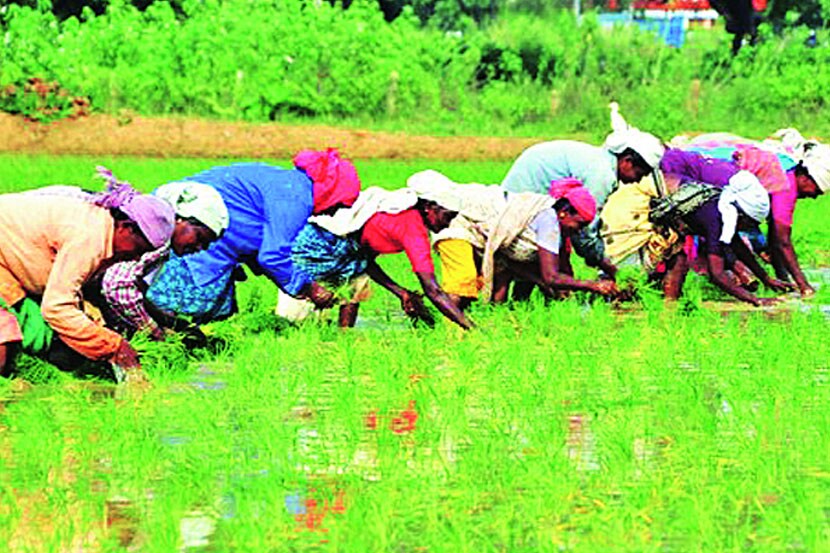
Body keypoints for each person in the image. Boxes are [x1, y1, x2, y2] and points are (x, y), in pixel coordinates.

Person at [137, 149, 361, 325]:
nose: (334, 213)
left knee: (219, 313)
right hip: (195, 234)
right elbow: (272, 256)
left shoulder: (288, 184)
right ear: (333, 193)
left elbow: (260, 245)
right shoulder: (297, 198)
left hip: (187, 230)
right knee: (188, 309)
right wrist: (310, 288)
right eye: (340, 204)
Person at [0, 180, 176, 381]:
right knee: (15, 341)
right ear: (126, 228)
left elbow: (76, 289)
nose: (136, 258)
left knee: (64, 349)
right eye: (139, 249)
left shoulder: (101, 227)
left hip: (11, 269)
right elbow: (56, 308)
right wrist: (116, 347)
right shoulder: (90, 238)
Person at [408, 171, 619, 306]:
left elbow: (539, 269)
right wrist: (594, 286)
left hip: (482, 228)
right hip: (458, 220)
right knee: (462, 283)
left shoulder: (554, 225)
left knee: (499, 280)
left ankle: (491, 323)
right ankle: (443, 329)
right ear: (564, 212)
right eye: (579, 224)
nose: (579, 231)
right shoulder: (549, 222)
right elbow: (551, 277)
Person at [277, 185, 473, 329]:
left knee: (355, 286)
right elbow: (433, 290)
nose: (448, 225)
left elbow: (366, 262)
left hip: (347, 254)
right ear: (431, 208)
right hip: (318, 246)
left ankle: (343, 341)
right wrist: (473, 329)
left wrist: (402, 293)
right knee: (292, 320)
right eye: (447, 217)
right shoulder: (412, 228)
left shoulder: (405, 218)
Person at [501, 102, 664, 275]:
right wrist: (609, 267)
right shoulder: (602, 175)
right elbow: (584, 228)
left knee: (549, 259)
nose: (639, 179)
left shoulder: (600, 161)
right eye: (640, 172)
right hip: (527, 195)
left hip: (532, 192)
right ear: (627, 161)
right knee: (537, 256)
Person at [96, 175, 230, 341]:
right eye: (200, 238)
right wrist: (158, 334)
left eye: (206, 245)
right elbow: (118, 288)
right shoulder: (154, 239)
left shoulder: (161, 243)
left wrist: (170, 322)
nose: (199, 248)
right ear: (179, 219)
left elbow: (135, 288)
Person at [652, 172, 794, 306]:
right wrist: (755, 300)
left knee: (678, 262)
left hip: (669, 195)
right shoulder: (717, 221)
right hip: (651, 197)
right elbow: (717, 274)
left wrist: (766, 279)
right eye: (751, 224)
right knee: (676, 262)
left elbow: (738, 247)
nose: (750, 228)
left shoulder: (724, 209)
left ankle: (668, 308)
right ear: (741, 216)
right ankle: (662, 306)